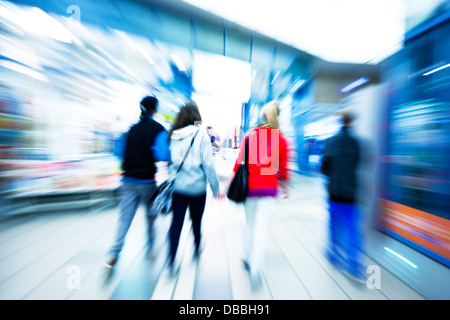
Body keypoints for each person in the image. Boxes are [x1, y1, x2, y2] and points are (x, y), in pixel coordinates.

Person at [228, 101, 289, 288]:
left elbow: (239, 164)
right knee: (262, 228)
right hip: (269, 188)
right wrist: (286, 186)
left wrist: (227, 187)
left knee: (250, 224)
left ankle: (247, 257)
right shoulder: (280, 139)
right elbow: (283, 169)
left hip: (250, 187)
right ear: (277, 116)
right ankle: (256, 269)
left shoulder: (250, 136)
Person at [105, 96, 170, 268]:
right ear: (155, 110)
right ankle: (150, 249)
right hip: (147, 181)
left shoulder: (130, 130)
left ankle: (114, 252)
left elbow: (118, 151)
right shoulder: (159, 130)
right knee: (150, 217)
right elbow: (163, 155)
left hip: (127, 181)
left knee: (124, 219)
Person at [168, 102, 225, 274]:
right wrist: (216, 189)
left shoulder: (173, 135)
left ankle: (171, 261)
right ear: (196, 117)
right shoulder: (202, 136)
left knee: (176, 223)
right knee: (196, 221)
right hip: (197, 188)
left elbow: (170, 162)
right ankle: (197, 247)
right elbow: (208, 165)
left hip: (178, 187)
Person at [320, 110, 364, 281]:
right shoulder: (356, 143)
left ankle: (333, 254)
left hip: (334, 191)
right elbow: (357, 164)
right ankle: (354, 265)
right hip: (351, 192)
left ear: (340, 122)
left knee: (333, 224)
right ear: (352, 122)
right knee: (353, 228)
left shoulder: (330, 141)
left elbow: (324, 168)